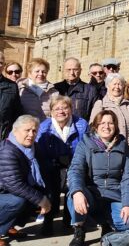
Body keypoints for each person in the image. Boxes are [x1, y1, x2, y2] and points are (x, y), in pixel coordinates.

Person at [67, 110, 129, 246]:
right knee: (74, 196)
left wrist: (128, 204)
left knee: (128, 223)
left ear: (115, 126)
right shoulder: (85, 144)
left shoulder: (123, 145)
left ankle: (108, 227)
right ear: (96, 126)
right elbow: (75, 170)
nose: (106, 126)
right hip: (92, 193)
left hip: (114, 195)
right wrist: (77, 191)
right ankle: (79, 229)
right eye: (102, 123)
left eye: (110, 123)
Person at [36, 95, 89, 235]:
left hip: (74, 163)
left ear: (71, 109)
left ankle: (69, 219)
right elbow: (40, 152)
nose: (61, 111)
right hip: (51, 165)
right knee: (51, 193)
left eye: (65, 108)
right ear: (51, 112)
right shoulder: (43, 127)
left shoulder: (81, 124)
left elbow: (86, 146)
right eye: (57, 108)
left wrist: (75, 164)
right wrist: (53, 164)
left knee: (71, 189)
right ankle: (48, 219)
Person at [0, 115, 51, 246]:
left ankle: (7, 227)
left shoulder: (32, 148)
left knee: (34, 196)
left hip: (7, 191)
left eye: (34, 131)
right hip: (4, 192)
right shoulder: (7, 151)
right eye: (27, 130)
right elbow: (14, 184)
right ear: (15, 130)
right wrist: (41, 200)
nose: (31, 134)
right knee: (18, 200)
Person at [90, 73, 129, 149]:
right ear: (107, 85)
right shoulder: (101, 104)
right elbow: (93, 129)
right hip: (110, 148)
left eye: (120, 84)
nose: (117, 87)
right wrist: (104, 145)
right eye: (114, 84)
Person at [0, 52, 23, 140]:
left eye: (1, 62)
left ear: (4, 65)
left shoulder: (12, 86)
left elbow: (17, 112)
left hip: (3, 134)